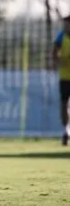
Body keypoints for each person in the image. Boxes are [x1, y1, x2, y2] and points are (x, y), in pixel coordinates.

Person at [52, 15, 70, 146]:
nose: (66, 27)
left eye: (67, 24)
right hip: (65, 77)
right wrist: (59, 60)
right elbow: (54, 53)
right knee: (64, 104)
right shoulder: (61, 37)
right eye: (65, 24)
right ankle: (65, 132)